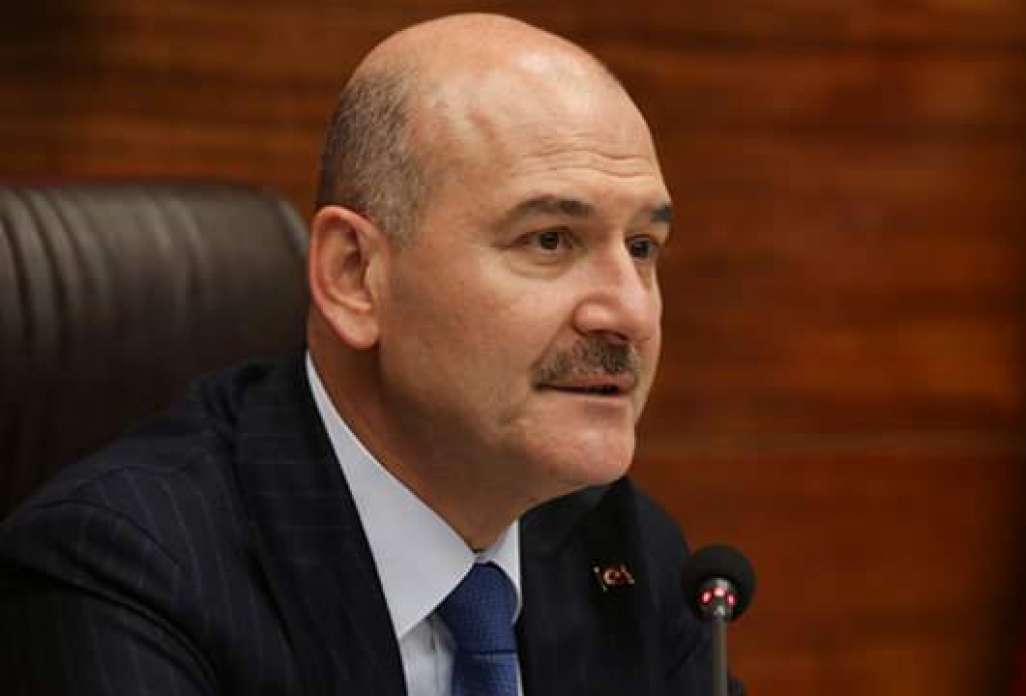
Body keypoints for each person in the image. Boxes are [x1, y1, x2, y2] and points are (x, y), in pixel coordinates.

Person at [0, 13, 740, 696]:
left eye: (641, 247)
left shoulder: (620, 548)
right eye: (549, 240)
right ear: (354, 275)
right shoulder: (126, 570)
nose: (629, 312)